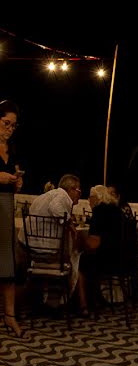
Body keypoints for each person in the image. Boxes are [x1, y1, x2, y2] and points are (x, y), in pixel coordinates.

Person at [20, 174, 85, 311]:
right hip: (45, 252)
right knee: (73, 258)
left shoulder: (48, 195)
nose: (80, 194)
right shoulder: (62, 196)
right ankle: (57, 302)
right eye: (79, 190)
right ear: (72, 189)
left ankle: (39, 298)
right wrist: (70, 224)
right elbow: (55, 208)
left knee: (66, 254)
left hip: (29, 248)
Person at [78, 185, 128, 312]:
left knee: (79, 261)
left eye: (90, 197)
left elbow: (94, 242)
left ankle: (83, 304)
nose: (88, 200)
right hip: (121, 259)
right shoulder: (117, 211)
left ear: (96, 198)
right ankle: (98, 296)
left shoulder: (99, 212)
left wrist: (81, 245)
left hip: (105, 261)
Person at [0, 100, 24, 337]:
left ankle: (10, 315)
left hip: (6, 206)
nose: (9, 129)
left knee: (7, 262)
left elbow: (15, 179)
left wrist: (17, 182)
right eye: (6, 123)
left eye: (13, 126)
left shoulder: (13, 149)